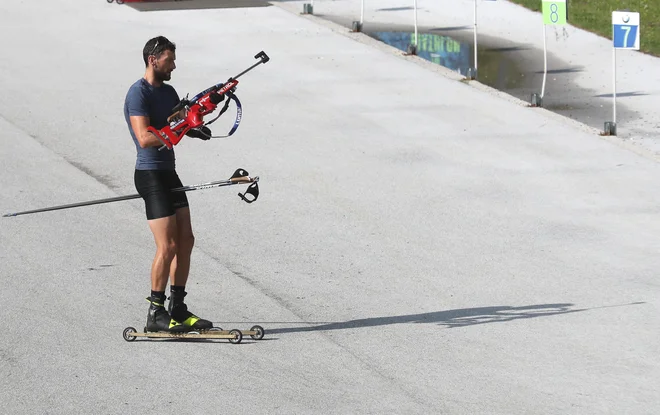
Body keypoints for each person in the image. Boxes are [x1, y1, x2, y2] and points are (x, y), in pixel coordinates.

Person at [123, 36, 214, 333]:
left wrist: (194, 124)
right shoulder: (138, 94)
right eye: (169, 59)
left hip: (168, 172)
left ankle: (178, 307)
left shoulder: (170, 91)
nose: (174, 64)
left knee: (186, 240)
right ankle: (155, 312)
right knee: (168, 245)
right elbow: (145, 138)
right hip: (149, 175)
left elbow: (177, 124)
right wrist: (178, 126)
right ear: (153, 59)